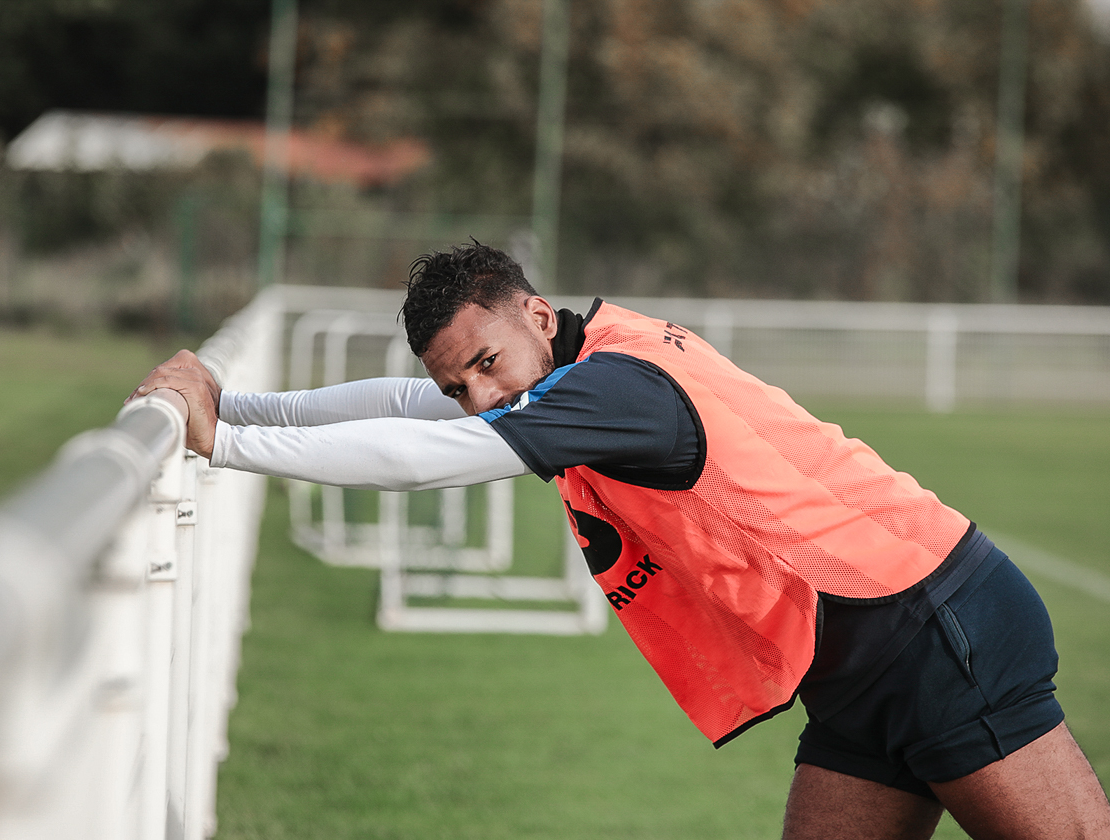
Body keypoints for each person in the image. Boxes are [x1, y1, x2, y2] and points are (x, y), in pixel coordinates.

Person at [130, 242, 1110, 839]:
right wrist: (237, 402)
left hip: (939, 630)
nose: (480, 396)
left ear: (534, 315)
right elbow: (404, 406)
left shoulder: (608, 391)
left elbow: (420, 456)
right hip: (853, 660)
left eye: (486, 364)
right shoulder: (578, 353)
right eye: (458, 385)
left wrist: (229, 440)